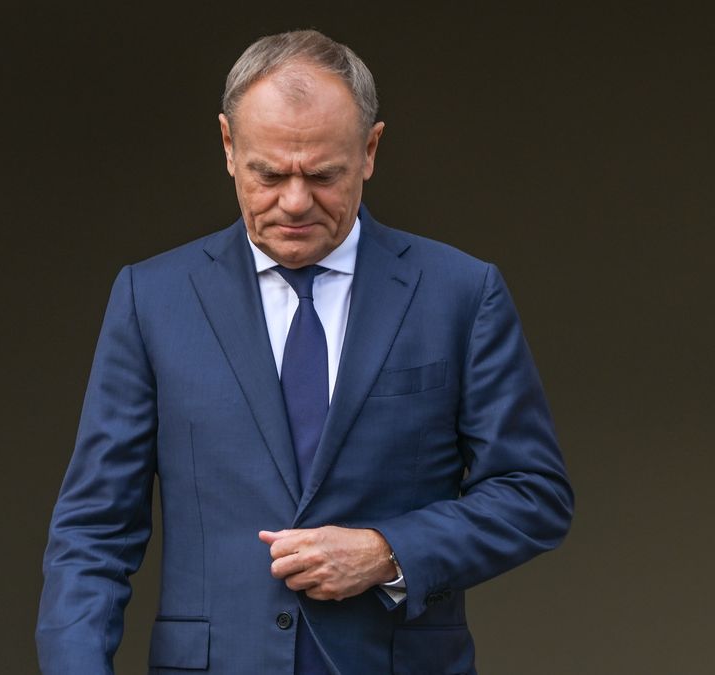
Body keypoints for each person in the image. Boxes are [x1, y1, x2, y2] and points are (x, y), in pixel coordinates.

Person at [36, 29, 572, 675]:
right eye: (269, 173)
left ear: (369, 151)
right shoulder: (152, 297)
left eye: (323, 175)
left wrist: (386, 549)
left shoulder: (459, 291)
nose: (294, 202)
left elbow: (531, 492)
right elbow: (94, 529)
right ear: (229, 147)